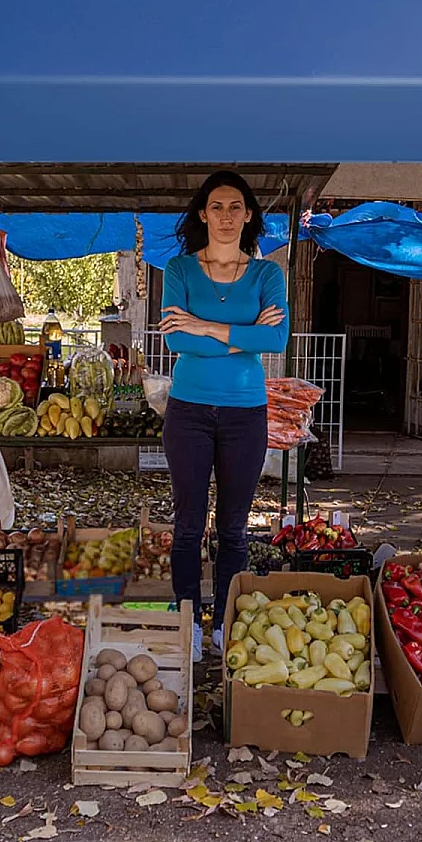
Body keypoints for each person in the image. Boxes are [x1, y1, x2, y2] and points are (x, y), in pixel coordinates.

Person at [159, 171, 289, 660]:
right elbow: (176, 339)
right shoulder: (179, 269)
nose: (227, 215)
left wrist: (205, 325)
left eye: (237, 206)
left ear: (249, 214)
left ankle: (225, 623)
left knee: (234, 527)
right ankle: (189, 621)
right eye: (217, 206)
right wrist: (240, 331)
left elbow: (275, 340)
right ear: (202, 214)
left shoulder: (266, 274)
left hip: (245, 413)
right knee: (189, 524)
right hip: (188, 410)